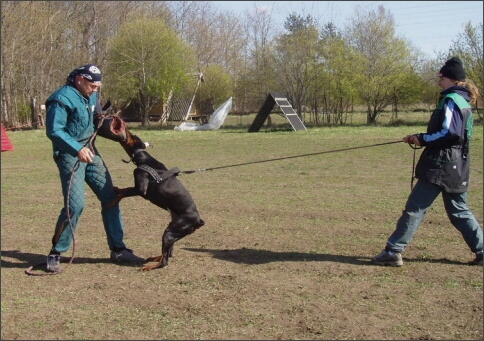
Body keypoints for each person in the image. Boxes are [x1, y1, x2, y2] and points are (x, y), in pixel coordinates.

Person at [372, 57, 483, 267]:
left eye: (441, 78)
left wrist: (422, 139)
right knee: (459, 212)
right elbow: (450, 133)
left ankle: (394, 250)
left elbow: (450, 133)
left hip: (441, 164)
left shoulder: (451, 99)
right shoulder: (462, 100)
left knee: (415, 208)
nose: (439, 82)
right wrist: (420, 136)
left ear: (451, 79)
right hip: (457, 164)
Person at [45, 64, 144, 272]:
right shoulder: (60, 99)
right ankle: (56, 252)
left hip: (90, 151)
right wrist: (76, 149)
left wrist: (111, 125)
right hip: (69, 155)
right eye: (92, 86)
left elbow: (97, 117)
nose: (95, 91)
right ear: (80, 80)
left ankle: (118, 249)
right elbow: (54, 130)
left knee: (111, 198)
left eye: (97, 87)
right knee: (75, 206)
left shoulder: (90, 95)